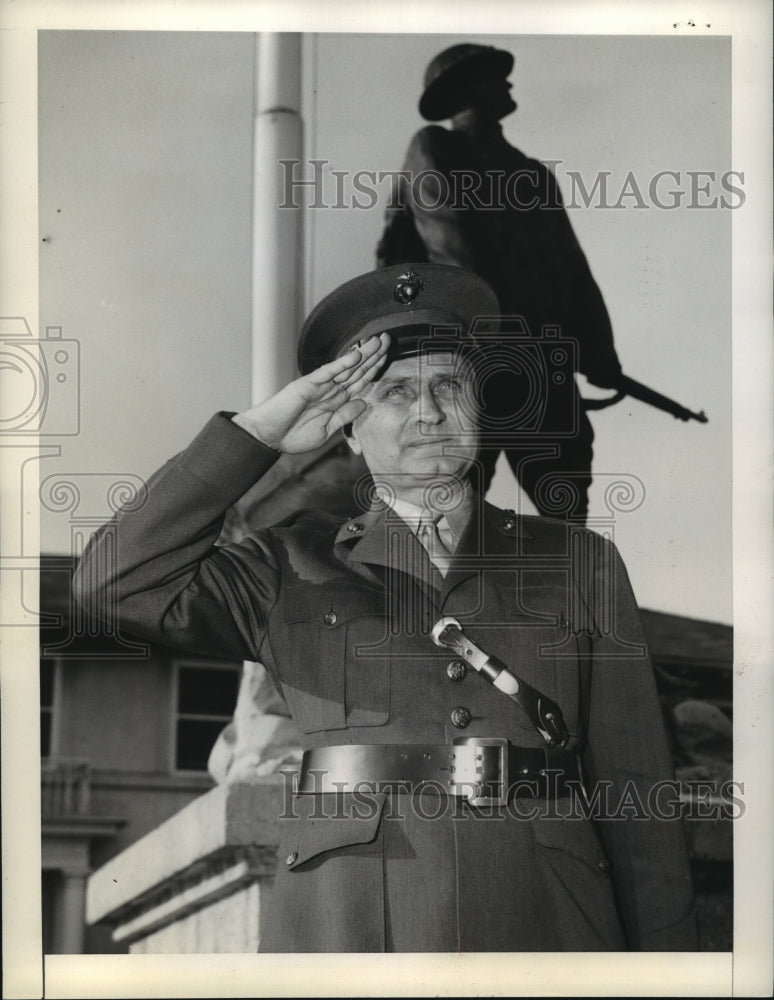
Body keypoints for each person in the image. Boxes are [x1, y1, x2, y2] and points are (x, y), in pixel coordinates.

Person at [74, 262, 697, 953]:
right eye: (396, 391)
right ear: (347, 427)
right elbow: (112, 582)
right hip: (350, 921)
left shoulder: (578, 562)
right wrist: (258, 435)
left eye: (449, 386)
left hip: (546, 913)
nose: (429, 411)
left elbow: (637, 791)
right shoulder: (286, 564)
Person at [377, 44, 625, 522]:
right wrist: (497, 325)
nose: (507, 83)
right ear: (464, 90)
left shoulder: (532, 175)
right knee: (452, 508)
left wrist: (601, 353)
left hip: (541, 362)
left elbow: (573, 272)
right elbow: (450, 243)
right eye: (492, 77)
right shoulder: (435, 147)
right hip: (470, 359)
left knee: (567, 515)